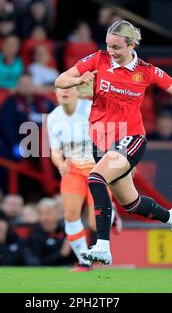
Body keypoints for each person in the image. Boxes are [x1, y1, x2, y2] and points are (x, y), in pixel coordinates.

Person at [55, 20, 172, 265]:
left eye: (116, 47)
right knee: (132, 204)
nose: (111, 51)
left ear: (131, 45)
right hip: (100, 141)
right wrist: (78, 80)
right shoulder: (97, 59)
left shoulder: (147, 71)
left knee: (95, 178)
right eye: (109, 45)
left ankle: (103, 246)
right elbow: (60, 81)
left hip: (130, 138)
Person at [47, 86, 120, 271]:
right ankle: (84, 261)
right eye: (60, 89)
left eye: (69, 88)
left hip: (99, 170)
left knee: (95, 223)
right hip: (73, 170)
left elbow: (112, 133)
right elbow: (55, 149)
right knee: (70, 215)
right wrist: (59, 163)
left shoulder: (90, 109)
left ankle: (112, 214)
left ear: (77, 92)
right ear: (55, 94)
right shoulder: (53, 117)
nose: (64, 92)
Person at [27, 198, 76, 266]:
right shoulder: (34, 235)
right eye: (42, 214)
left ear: (58, 214)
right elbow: (36, 263)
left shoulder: (66, 231)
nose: (45, 217)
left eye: (49, 213)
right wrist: (61, 253)